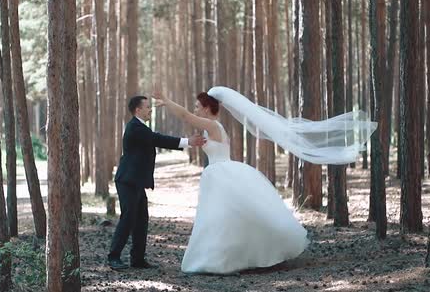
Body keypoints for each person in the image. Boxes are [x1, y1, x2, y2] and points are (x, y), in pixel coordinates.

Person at [153, 86, 375, 274]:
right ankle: (222, 257)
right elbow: (190, 120)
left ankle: (222, 259)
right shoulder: (214, 127)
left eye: (197, 106)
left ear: (207, 108)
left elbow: (185, 116)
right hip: (219, 174)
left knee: (223, 218)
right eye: (195, 106)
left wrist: (167, 101)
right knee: (222, 219)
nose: (195, 109)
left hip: (221, 174)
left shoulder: (213, 126)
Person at [107, 95, 206, 270]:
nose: (150, 110)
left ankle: (137, 259)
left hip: (135, 181)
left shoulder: (139, 127)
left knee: (141, 220)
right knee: (128, 218)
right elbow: (158, 139)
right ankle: (113, 257)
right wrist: (187, 142)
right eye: (147, 107)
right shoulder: (135, 127)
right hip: (127, 181)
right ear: (138, 110)